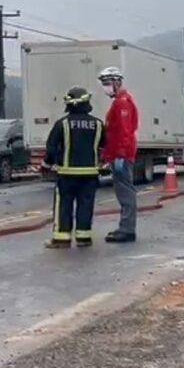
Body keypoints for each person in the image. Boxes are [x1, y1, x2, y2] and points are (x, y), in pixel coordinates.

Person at [43, 87, 105, 249]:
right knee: (86, 205)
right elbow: (105, 145)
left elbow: (51, 148)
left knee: (64, 205)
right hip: (90, 174)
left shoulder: (62, 124)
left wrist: (47, 164)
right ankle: (84, 238)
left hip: (66, 174)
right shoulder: (97, 124)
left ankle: (61, 239)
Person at [98, 67, 140, 244]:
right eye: (104, 84)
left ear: (117, 83)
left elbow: (124, 131)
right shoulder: (120, 102)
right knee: (123, 191)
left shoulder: (122, 103)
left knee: (125, 193)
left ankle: (127, 229)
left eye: (108, 83)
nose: (105, 87)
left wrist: (120, 155)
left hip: (121, 155)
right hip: (117, 154)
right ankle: (125, 227)